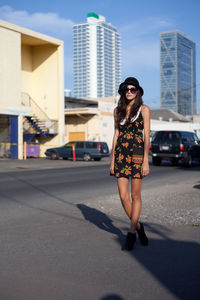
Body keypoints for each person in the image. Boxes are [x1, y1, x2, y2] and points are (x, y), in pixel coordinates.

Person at [110, 77, 150, 251]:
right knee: (123, 196)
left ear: (138, 91)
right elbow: (116, 135)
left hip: (137, 155)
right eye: (127, 89)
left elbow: (146, 135)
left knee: (135, 195)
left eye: (133, 89)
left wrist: (146, 160)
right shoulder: (117, 111)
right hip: (120, 155)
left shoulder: (144, 109)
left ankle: (132, 233)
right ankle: (139, 226)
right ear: (123, 91)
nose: (129, 92)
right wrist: (112, 160)